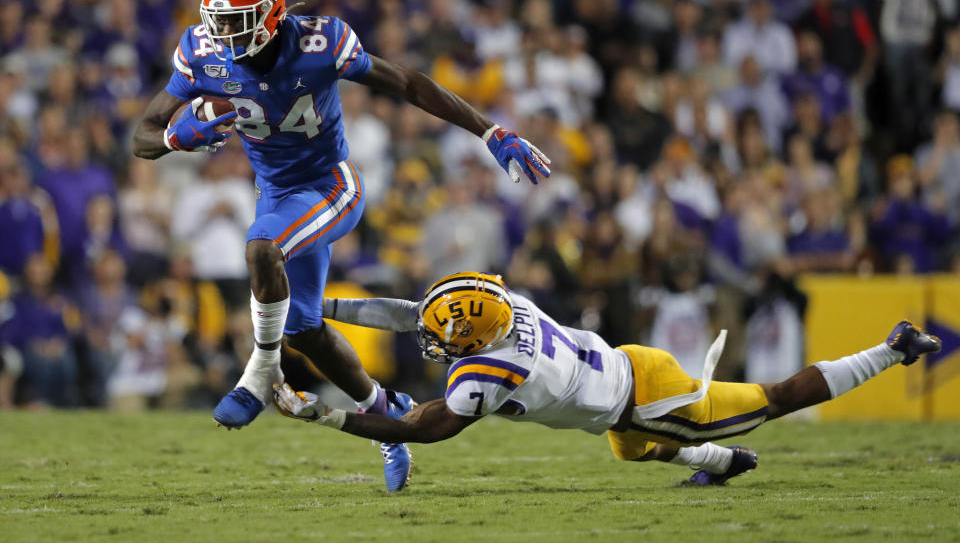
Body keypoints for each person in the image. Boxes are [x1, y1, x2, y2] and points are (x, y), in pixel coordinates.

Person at [130, 0, 550, 492]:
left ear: (272, 12)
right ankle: (387, 411)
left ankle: (259, 375)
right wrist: (171, 141)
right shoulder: (201, 53)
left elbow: (408, 83)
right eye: (220, 19)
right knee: (303, 329)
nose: (225, 31)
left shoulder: (320, 43)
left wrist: (489, 131)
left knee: (261, 248)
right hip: (277, 196)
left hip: (331, 186)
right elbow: (142, 134)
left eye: (238, 18)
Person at [273, 271, 941, 489]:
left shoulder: (492, 372)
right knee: (628, 446)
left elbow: (414, 426)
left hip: (651, 396)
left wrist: (323, 414)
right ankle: (727, 462)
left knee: (774, 400)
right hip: (627, 371)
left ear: (473, 343)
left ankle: (891, 349)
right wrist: (320, 308)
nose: (430, 342)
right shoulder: (502, 308)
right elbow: (412, 314)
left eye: (445, 341)